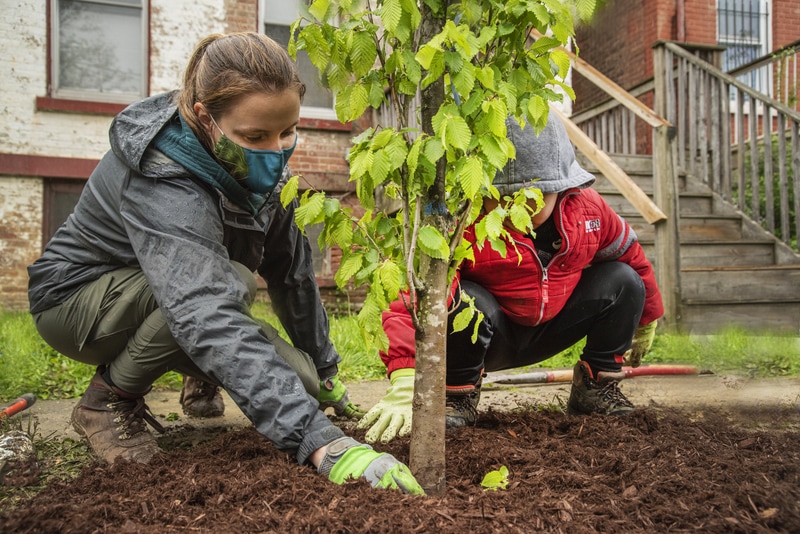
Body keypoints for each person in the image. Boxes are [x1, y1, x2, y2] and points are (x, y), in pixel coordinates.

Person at [27, 32, 422, 494]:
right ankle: (107, 401)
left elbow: (291, 275)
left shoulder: (267, 171)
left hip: (174, 293)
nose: (276, 150)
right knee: (228, 282)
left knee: (305, 382)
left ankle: (203, 375)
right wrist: (321, 444)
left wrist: (327, 371)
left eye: (287, 131)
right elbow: (202, 306)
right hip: (76, 302)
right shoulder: (163, 172)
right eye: (254, 136)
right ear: (204, 118)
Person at [358, 112, 664, 443]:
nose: (511, 211)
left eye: (531, 200)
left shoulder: (589, 211)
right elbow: (414, 294)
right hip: (482, 337)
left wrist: (647, 318)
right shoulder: (464, 222)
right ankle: (456, 397)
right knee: (466, 299)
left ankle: (594, 389)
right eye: (500, 199)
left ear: (561, 188)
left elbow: (631, 254)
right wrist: (405, 375)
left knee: (625, 279)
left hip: (553, 326)